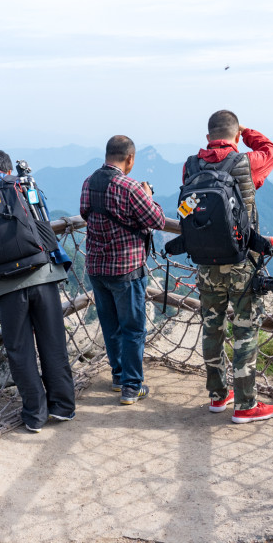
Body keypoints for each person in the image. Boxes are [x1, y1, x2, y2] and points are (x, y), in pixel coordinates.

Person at [0, 150, 76, 432]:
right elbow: (43, 218)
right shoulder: (25, 185)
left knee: (20, 350)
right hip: (42, 274)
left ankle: (35, 415)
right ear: (8, 169)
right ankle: (62, 407)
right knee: (53, 342)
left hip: (4, 283)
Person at [186, 110, 273, 423]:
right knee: (245, 332)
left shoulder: (191, 165)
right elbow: (271, 150)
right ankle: (245, 405)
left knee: (212, 328)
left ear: (207, 137)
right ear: (236, 136)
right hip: (241, 263)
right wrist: (247, 130)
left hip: (204, 263)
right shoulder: (245, 162)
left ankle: (218, 396)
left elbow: (190, 209)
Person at [80, 136, 167, 404]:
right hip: (126, 269)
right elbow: (158, 220)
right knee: (133, 328)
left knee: (110, 325)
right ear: (129, 159)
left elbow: (85, 214)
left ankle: (118, 377)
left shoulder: (89, 182)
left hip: (96, 267)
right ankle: (131, 387)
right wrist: (149, 197)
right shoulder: (130, 188)